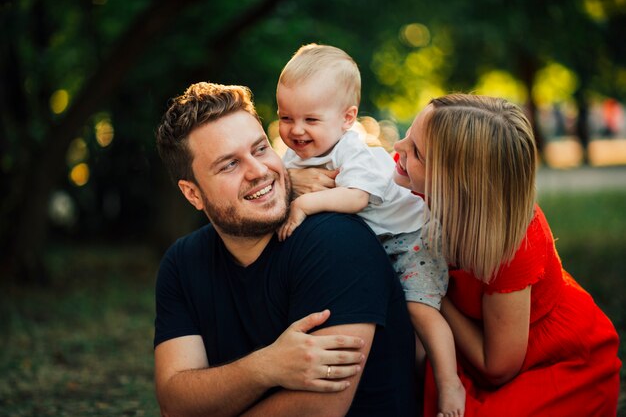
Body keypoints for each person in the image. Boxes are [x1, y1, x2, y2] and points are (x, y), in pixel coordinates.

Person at [153, 81, 418, 416]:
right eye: (229, 165)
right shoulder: (182, 262)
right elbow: (175, 401)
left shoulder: (335, 241)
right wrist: (264, 366)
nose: (259, 171)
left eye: (260, 149)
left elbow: (318, 409)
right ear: (192, 194)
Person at [392, 93, 622, 416]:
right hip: (475, 342)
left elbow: (497, 367)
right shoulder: (408, 170)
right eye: (407, 136)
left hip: (551, 363)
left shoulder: (513, 245)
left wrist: (427, 290)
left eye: (415, 151)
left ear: (456, 186)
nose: (397, 149)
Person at [277, 43, 465, 417]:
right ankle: (414, 370)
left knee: (420, 310)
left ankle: (449, 383)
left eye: (310, 120)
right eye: (285, 117)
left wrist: (302, 202)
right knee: (397, 322)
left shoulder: (353, 149)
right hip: (379, 242)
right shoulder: (296, 152)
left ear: (347, 118)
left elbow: (356, 198)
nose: (296, 130)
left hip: (413, 238)